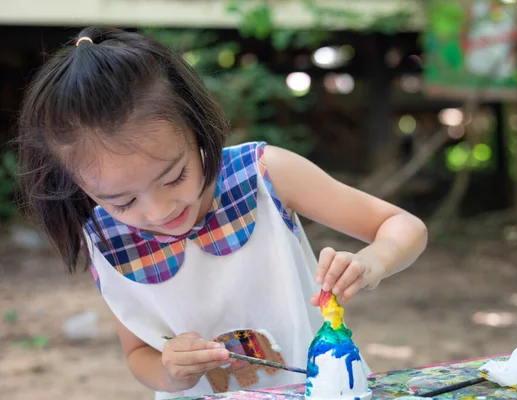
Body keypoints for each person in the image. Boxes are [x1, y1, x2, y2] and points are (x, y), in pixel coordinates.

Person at [16, 27, 428, 399]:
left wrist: (370, 263)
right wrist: (170, 371)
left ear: (197, 128)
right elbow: (139, 353)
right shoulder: (105, 239)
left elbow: (402, 226)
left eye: (174, 177)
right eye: (122, 201)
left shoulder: (263, 175)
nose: (160, 211)